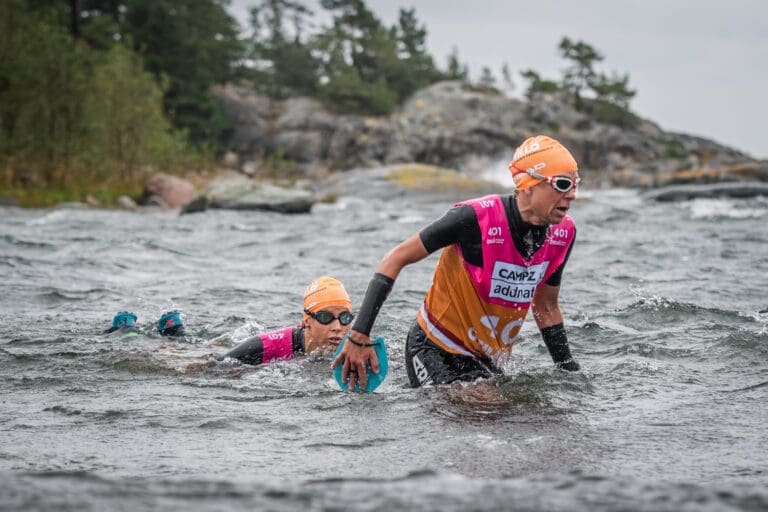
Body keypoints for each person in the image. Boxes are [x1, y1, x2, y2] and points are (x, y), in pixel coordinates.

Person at [334, 135, 582, 390]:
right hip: (434, 347)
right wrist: (359, 335)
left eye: (575, 184)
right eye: (562, 184)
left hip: (484, 360)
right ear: (528, 184)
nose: (572, 194)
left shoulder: (564, 234)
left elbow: (546, 307)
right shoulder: (475, 218)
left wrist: (568, 371)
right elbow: (394, 259)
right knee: (484, 408)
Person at [218, 276, 354, 366]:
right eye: (325, 317)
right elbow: (215, 365)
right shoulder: (267, 345)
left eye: (345, 318)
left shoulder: (356, 346)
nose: (337, 327)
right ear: (307, 320)